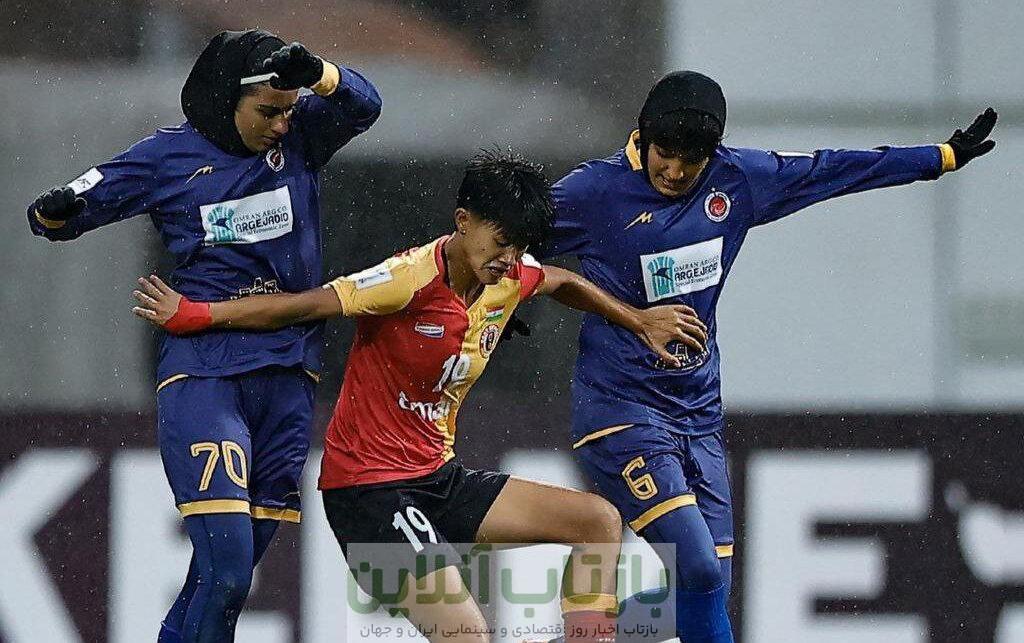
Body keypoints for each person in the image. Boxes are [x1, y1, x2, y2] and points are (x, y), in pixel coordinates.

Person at [131, 149, 710, 643]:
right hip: (368, 493)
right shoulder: (406, 279)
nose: (508, 259)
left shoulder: (507, 278)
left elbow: (562, 280)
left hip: (437, 480)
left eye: (518, 247)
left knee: (597, 522)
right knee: (469, 636)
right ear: (463, 221)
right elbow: (305, 305)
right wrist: (198, 313)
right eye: (500, 242)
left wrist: (638, 320)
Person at [535, 70, 997, 643]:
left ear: (713, 154)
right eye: (664, 155)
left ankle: (575, 639)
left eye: (690, 161)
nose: (674, 172)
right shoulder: (593, 192)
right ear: (643, 136)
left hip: (698, 414)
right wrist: (493, 314)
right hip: (620, 410)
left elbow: (832, 169)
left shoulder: (738, 180)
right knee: (698, 567)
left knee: (705, 590)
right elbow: (502, 248)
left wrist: (938, 157)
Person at [27, 29, 382, 642]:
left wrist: (320, 72)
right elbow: (66, 209)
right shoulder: (167, 157)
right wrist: (56, 210)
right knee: (227, 574)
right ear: (225, 100)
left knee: (219, 582)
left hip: (289, 376)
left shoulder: (300, 139)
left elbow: (365, 104)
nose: (281, 125)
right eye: (267, 112)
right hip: (207, 372)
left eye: (288, 110)